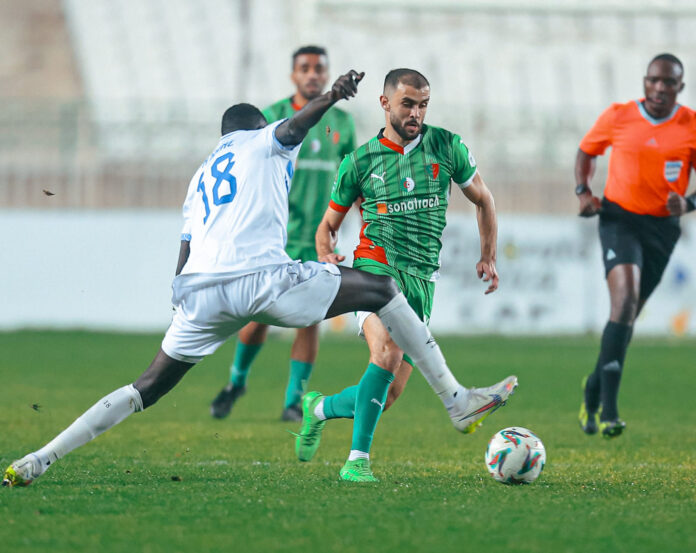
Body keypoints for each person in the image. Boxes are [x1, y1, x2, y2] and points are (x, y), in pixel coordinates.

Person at [3, 69, 516, 488]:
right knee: (382, 289)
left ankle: (40, 458)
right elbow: (292, 129)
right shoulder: (260, 142)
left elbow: (184, 249)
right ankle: (455, 400)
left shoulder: (203, 171)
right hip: (262, 280)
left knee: (146, 387)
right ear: (254, 127)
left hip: (199, 295)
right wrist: (332, 96)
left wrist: (179, 303)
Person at [293, 68, 518, 482]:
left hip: (421, 280)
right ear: (385, 104)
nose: (417, 112)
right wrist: (326, 251)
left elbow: (484, 200)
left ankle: (319, 408)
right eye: (408, 104)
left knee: (390, 389)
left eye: (423, 105)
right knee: (389, 350)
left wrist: (488, 256)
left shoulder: (447, 146)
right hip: (374, 271)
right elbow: (326, 225)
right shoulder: (359, 161)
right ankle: (357, 461)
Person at [209, 45, 357, 422]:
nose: (312, 74)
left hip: (318, 239)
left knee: (310, 319)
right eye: (304, 68)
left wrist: (362, 220)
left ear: (326, 76)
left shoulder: (342, 124)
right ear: (293, 75)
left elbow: (352, 180)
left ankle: (294, 401)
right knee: (257, 316)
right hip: (273, 237)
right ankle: (236, 382)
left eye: (318, 69)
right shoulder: (273, 117)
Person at [576, 53, 696, 438]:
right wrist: (583, 192)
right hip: (618, 219)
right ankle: (609, 411)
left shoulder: (691, 126)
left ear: (680, 87)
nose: (660, 88)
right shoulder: (619, 115)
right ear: (645, 82)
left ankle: (592, 389)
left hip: (663, 230)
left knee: (626, 319)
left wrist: (689, 203)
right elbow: (586, 153)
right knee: (624, 302)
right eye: (654, 81)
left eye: (669, 82)